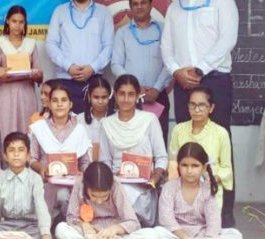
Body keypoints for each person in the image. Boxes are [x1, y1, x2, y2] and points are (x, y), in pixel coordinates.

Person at [161, 0, 238, 227]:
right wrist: (175, 71)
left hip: (214, 79)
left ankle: (224, 215)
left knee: (219, 146)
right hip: (183, 83)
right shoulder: (173, 8)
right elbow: (166, 47)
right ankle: (186, 213)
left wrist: (200, 68)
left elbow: (227, 39)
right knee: (187, 149)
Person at [55, 162, 159, 239]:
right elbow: (71, 217)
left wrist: (114, 229)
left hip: (116, 237)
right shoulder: (80, 184)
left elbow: (133, 222)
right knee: (61, 229)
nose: (99, 201)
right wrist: (84, 225)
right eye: (94, 195)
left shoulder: (116, 185)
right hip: (91, 234)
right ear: (86, 186)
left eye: (104, 196)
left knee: (152, 236)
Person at [155, 142, 242, 239]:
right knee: (157, 233)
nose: (189, 170)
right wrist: (186, 238)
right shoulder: (170, 187)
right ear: (178, 166)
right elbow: (166, 218)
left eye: (195, 166)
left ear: (204, 168)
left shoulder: (207, 189)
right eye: (184, 165)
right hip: (177, 236)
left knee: (235, 235)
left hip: (202, 237)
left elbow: (214, 221)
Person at [99, 74, 168, 226]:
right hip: (115, 184)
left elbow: (162, 157)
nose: (126, 99)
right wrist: (111, 177)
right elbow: (105, 161)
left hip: (144, 187)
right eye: (121, 94)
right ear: (115, 95)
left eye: (131, 94)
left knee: (126, 199)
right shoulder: (106, 124)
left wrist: (154, 178)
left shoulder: (149, 119)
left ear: (137, 96)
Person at [46, 0, 114, 113]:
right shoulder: (60, 12)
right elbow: (51, 44)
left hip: (95, 81)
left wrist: (92, 68)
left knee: (94, 125)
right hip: (65, 79)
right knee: (66, 124)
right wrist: (68, 66)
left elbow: (108, 47)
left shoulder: (103, 13)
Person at [112, 0, 171, 143]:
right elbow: (116, 64)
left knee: (158, 142)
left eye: (143, 2)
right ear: (131, 8)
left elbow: (169, 62)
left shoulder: (164, 29)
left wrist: (157, 88)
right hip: (131, 97)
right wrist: (134, 88)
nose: (139, 7)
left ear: (151, 5)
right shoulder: (122, 33)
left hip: (158, 96)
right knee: (130, 142)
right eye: (135, 4)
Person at [29, 83, 92, 218]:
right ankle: (48, 225)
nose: (59, 104)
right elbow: (32, 159)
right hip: (46, 183)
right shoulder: (39, 128)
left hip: (72, 185)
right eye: (55, 100)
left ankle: (65, 223)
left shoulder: (79, 129)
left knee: (63, 194)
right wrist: (41, 168)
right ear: (49, 105)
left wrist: (83, 174)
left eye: (64, 100)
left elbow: (85, 162)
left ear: (70, 104)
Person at [168, 87, 232, 209]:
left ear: (211, 108)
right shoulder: (178, 130)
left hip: (209, 190)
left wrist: (213, 179)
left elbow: (226, 168)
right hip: (182, 189)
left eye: (202, 105)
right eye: (192, 105)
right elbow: (173, 163)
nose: (196, 110)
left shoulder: (220, 133)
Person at [0, 5, 43, 140]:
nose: (17, 26)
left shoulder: (31, 44)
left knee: (27, 132)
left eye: (21, 22)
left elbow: (39, 75)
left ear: (25, 24)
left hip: (26, 95)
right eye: (14, 21)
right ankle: (6, 162)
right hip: (6, 95)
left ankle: (27, 161)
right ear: (7, 21)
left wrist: (37, 74)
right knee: (6, 132)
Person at [75, 76, 113, 161]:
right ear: (89, 97)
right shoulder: (79, 120)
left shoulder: (115, 120)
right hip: (85, 168)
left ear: (109, 97)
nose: (100, 101)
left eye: (104, 97)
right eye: (96, 97)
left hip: (110, 168)